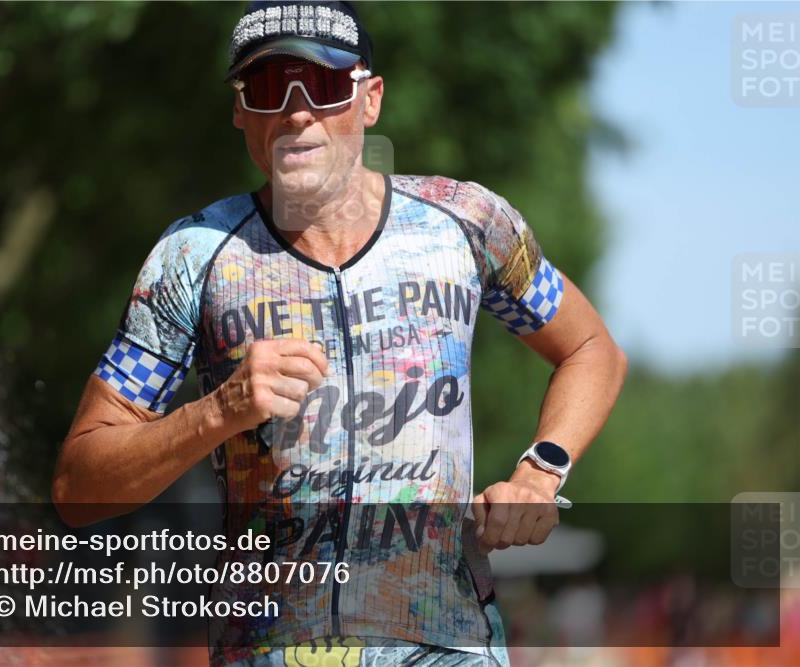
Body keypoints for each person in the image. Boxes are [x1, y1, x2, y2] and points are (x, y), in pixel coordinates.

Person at [52, 2, 627, 665]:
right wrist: (218, 410)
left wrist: (539, 473)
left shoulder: (465, 222)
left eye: (323, 86)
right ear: (241, 111)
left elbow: (591, 349)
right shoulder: (193, 256)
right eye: (269, 89)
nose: (296, 112)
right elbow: (76, 489)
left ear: (370, 99)